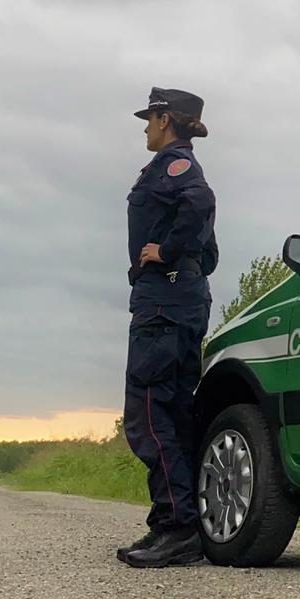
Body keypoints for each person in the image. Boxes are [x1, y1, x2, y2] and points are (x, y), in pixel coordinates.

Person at [116, 87, 218, 568]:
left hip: (165, 300)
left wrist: (168, 253)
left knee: (149, 412)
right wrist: (193, 260)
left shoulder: (175, 165)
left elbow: (199, 203)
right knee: (174, 411)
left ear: (164, 119)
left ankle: (177, 527)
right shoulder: (176, 166)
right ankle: (173, 523)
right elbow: (207, 243)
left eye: (149, 118)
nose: (144, 127)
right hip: (180, 298)